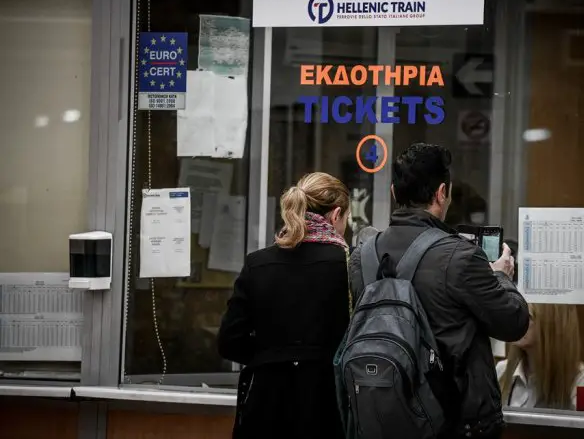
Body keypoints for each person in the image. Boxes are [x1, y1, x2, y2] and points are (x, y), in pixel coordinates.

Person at [348, 143, 530, 439]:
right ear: (442, 192)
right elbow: (514, 323)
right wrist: (501, 276)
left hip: (381, 415)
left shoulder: (363, 256)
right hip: (451, 422)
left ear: (394, 193)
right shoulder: (461, 256)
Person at [217, 172, 351, 439]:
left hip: (265, 407)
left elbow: (229, 341)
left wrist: (272, 356)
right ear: (336, 215)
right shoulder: (350, 265)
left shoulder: (257, 264)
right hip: (328, 408)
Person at [497, 303, 584, 410]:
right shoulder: (502, 370)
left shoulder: (581, 379)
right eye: (515, 314)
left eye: (528, 316)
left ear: (552, 325)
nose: (516, 323)